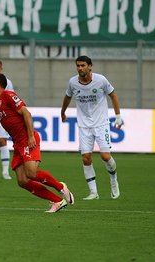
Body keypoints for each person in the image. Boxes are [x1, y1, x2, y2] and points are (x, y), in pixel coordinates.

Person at [0, 73, 74, 213]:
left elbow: (26, 113)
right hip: (18, 143)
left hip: (27, 138)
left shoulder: (8, 95)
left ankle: (60, 187)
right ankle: (57, 201)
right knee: (22, 181)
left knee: (31, 173)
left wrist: (31, 136)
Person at [60, 55, 123, 200]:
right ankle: (93, 193)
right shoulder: (73, 82)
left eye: (83, 65)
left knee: (105, 156)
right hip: (84, 126)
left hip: (101, 124)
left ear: (90, 66)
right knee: (86, 158)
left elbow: (113, 95)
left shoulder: (101, 80)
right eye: (78, 66)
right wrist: (63, 112)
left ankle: (114, 181)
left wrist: (118, 116)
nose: (80, 68)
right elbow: (67, 97)